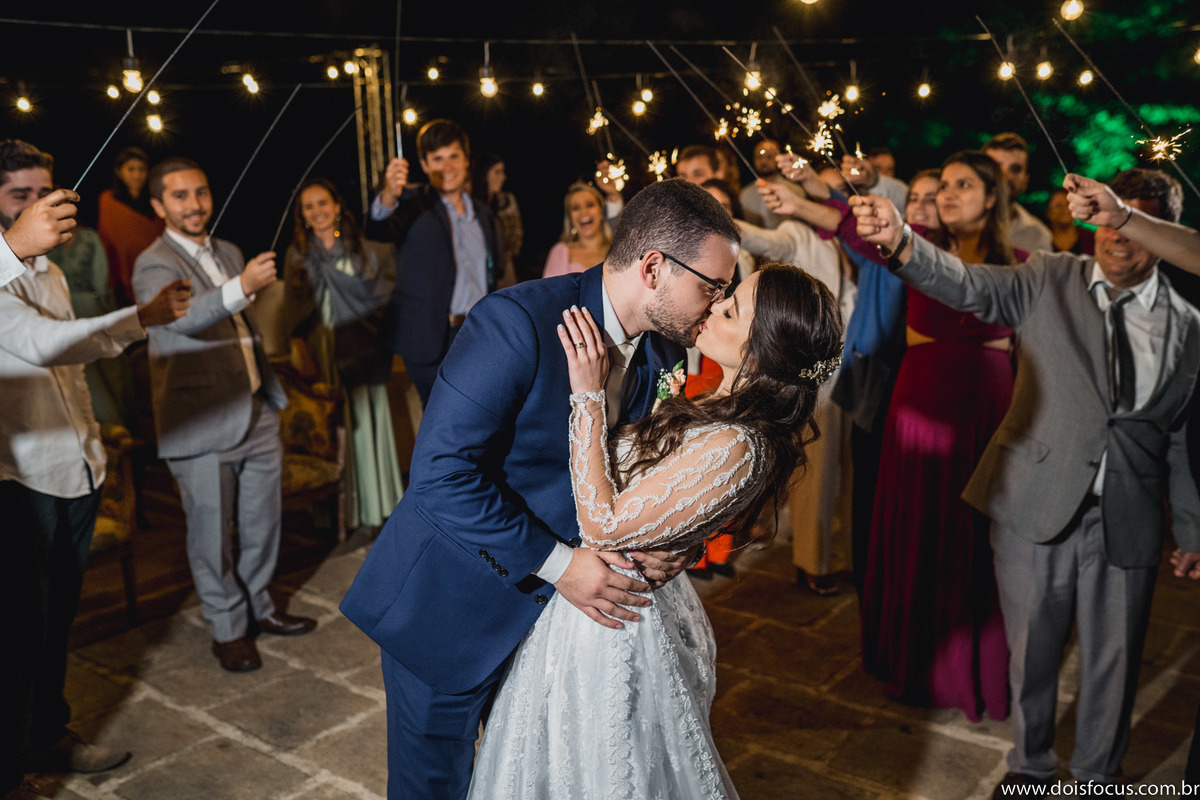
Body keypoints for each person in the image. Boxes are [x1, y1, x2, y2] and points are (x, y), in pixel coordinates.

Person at [340, 178, 741, 799]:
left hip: (553, 634)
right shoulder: (516, 321)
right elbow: (441, 477)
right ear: (655, 267)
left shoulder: (663, 349)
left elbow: (643, 473)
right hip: (452, 606)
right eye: (711, 286)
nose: (718, 305)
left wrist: (675, 544)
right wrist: (562, 566)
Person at [853, 167, 1200, 797]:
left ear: (1162, 230)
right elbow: (963, 283)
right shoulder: (1048, 276)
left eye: (1136, 224)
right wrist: (902, 240)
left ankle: (1098, 778)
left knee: (1115, 665)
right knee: (1032, 654)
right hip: (1035, 504)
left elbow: (1179, 434)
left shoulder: (1188, 324)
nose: (1118, 240)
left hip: (1130, 517)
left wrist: (1193, 527)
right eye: (1109, 223)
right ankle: (1031, 769)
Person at [466, 263, 844, 798]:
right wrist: (680, 542)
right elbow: (669, 498)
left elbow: (604, 522)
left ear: (762, 352)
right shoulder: (718, 405)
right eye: (726, 295)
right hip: (596, 603)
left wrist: (587, 393)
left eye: (732, 309)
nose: (715, 305)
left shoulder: (739, 443)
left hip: (610, 625)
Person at [0, 139, 191, 800]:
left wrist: (141, 319)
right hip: (17, 482)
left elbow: (72, 355)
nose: (39, 207)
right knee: (15, 638)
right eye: (19, 195)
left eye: (46, 193)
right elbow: (43, 341)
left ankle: (48, 738)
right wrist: (136, 315)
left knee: (54, 629)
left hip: (75, 469)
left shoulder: (49, 270)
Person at [133, 157, 316, 674]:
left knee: (262, 524)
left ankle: (260, 609)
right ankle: (227, 628)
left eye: (201, 192)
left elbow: (242, 330)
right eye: (180, 196)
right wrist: (241, 286)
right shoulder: (154, 263)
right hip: (200, 418)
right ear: (158, 206)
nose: (194, 204)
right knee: (210, 534)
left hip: (255, 409)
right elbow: (182, 316)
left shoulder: (228, 250)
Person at [859, 151, 1020, 722]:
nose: (949, 193)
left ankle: (975, 670)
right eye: (944, 184)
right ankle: (914, 662)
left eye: (964, 184)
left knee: (981, 538)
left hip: (987, 411)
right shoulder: (915, 244)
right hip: (919, 404)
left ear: (993, 195)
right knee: (920, 527)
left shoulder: (1022, 262)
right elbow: (850, 229)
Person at [738, 180, 857, 594]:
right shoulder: (799, 233)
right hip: (821, 373)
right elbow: (765, 239)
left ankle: (843, 556)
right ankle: (815, 564)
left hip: (859, 367)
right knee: (818, 473)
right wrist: (716, 221)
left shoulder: (852, 242)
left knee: (848, 472)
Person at [282, 178, 403, 532]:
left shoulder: (359, 247)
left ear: (337, 207)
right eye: (309, 206)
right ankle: (346, 513)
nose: (317, 211)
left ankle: (381, 506)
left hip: (366, 347)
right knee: (343, 429)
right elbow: (294, 311)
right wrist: (301, 349)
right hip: (327, 351)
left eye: (323, 203)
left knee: (374, 423)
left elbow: (381, 298)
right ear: (302, 215)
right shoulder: (298, 256)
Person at [368, 118, 514, 406]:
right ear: (423, 164)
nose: (447, 167)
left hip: (479, 335)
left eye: (453, 156)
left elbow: (495, 273)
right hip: (430, 339)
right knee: (442, 424)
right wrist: (388, 194)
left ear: (466, 160)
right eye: (437, 159)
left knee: (486, 414)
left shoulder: (485, 215)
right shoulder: (411, 203)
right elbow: (379, 227)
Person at [96, 146, 164, 306]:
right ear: (119, 172)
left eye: (141, 170)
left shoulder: (155, 204)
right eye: (131, 169)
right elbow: (109, 239)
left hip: (154, 271)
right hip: (123, 272)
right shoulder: (108, 200)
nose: (137, 175)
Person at [984, 132, 1053, 254]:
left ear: (1025, 181)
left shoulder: (1039, 236)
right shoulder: (956, 222)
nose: (1005, 176)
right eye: (996, 167)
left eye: (1015, 169)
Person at [0, 186, 79, 289]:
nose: (36, 205)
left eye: (44, 196)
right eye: (21, 196)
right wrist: (16, 243)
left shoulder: (56, 274)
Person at [541, 182, 612, 278]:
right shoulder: (561, 252)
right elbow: (550, 291)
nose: (583, 212)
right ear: (570, 218)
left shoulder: (617, 251)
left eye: (589, 205)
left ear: (601, 211)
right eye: (576, 208)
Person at [471, 154, 523, 279]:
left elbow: (516, 234)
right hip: (477, 270)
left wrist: (506, 256)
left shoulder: (506, 201)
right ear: (484, 174)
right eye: (497, 172)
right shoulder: (469, 205)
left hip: (503, 269)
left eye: (503, 172)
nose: (503, 177)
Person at [738, 139, 805, 229]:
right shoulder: (745, 194)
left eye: (769, 157)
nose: (763, 162)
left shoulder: (794, 190)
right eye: (759, 157)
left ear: (778, 159)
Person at [1046, 187, 1095, 255]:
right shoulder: (1042, 236)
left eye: (1069, 204)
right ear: (1048, 212)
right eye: (1058, 206)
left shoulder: (1089, 238)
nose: (1065, 209)